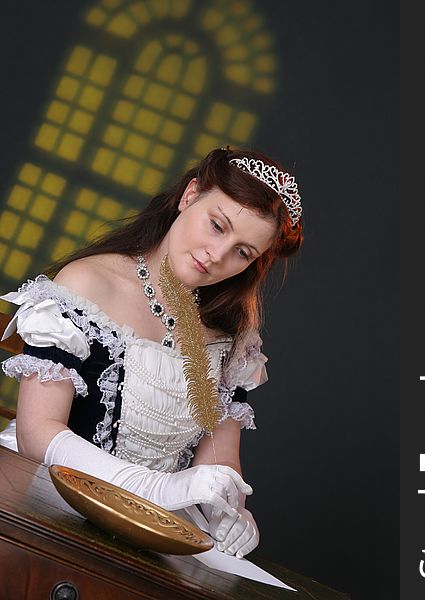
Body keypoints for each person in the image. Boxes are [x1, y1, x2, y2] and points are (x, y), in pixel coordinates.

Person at [0, 147, 303, 559]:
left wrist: (228, 508)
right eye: (217, 226)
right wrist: (157, 489)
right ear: (190, 195)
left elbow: (219, 455)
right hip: (40, 502)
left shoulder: (232, 334)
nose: (218, 256)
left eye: (243, 252)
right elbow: (38, 431)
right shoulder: (88, 283)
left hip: (149, 529)